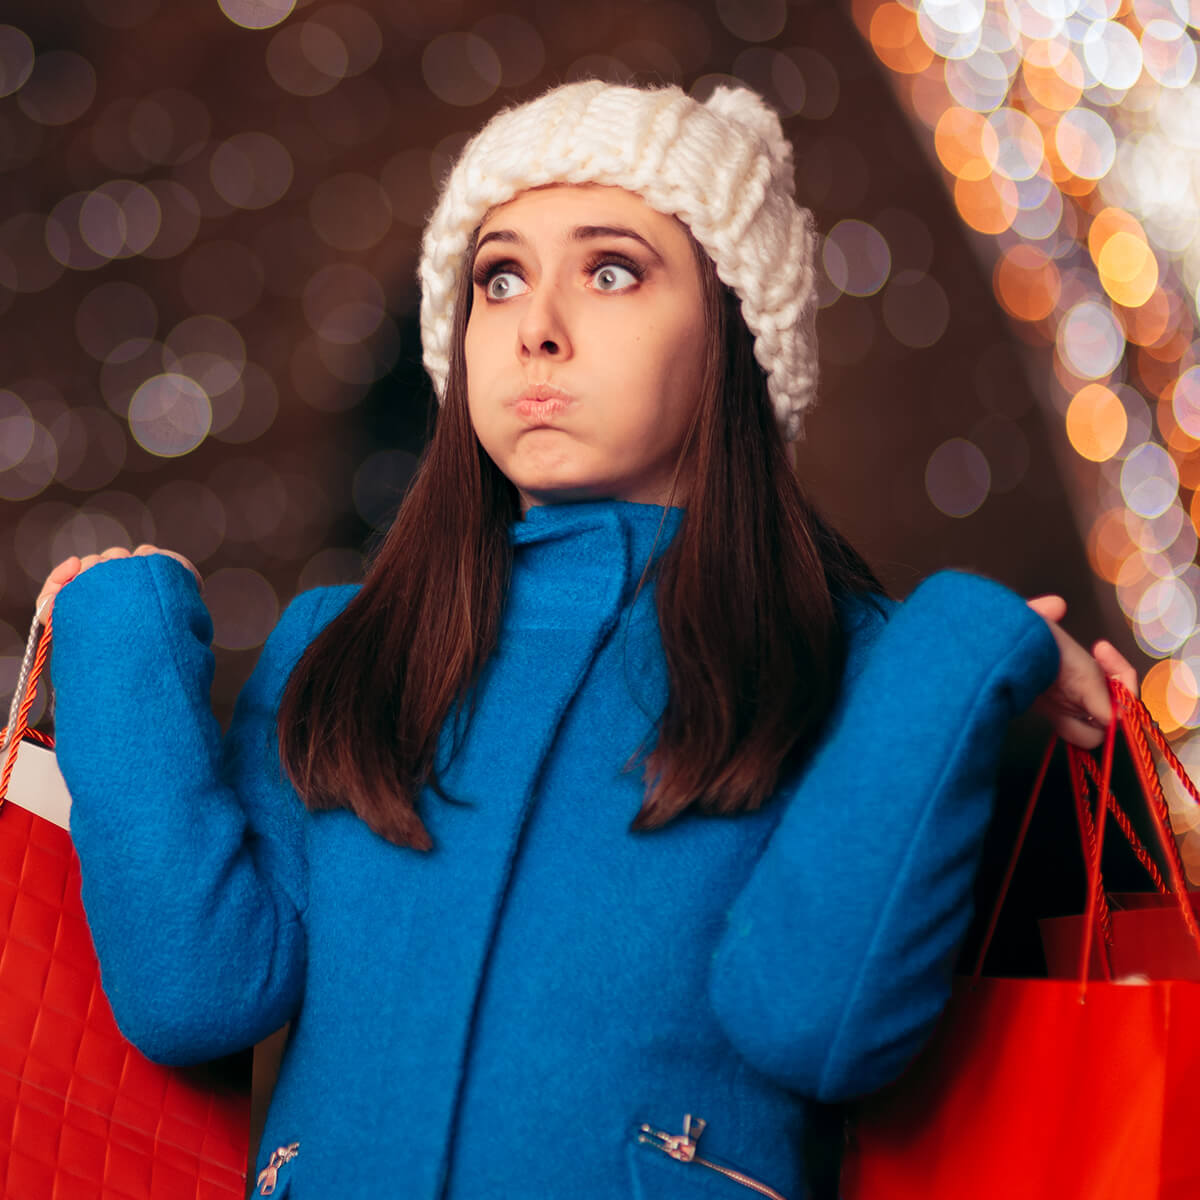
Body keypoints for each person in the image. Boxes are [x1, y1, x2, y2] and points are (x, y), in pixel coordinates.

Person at [40, 81, 1135, 1198]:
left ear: (735, 331)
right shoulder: (344, 645)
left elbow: (817, 1027)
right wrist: (121, 638)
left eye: (612, 271)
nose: (537, 327)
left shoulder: (844, 657)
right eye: (499, 278)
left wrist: (964, 652)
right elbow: (198, 993)